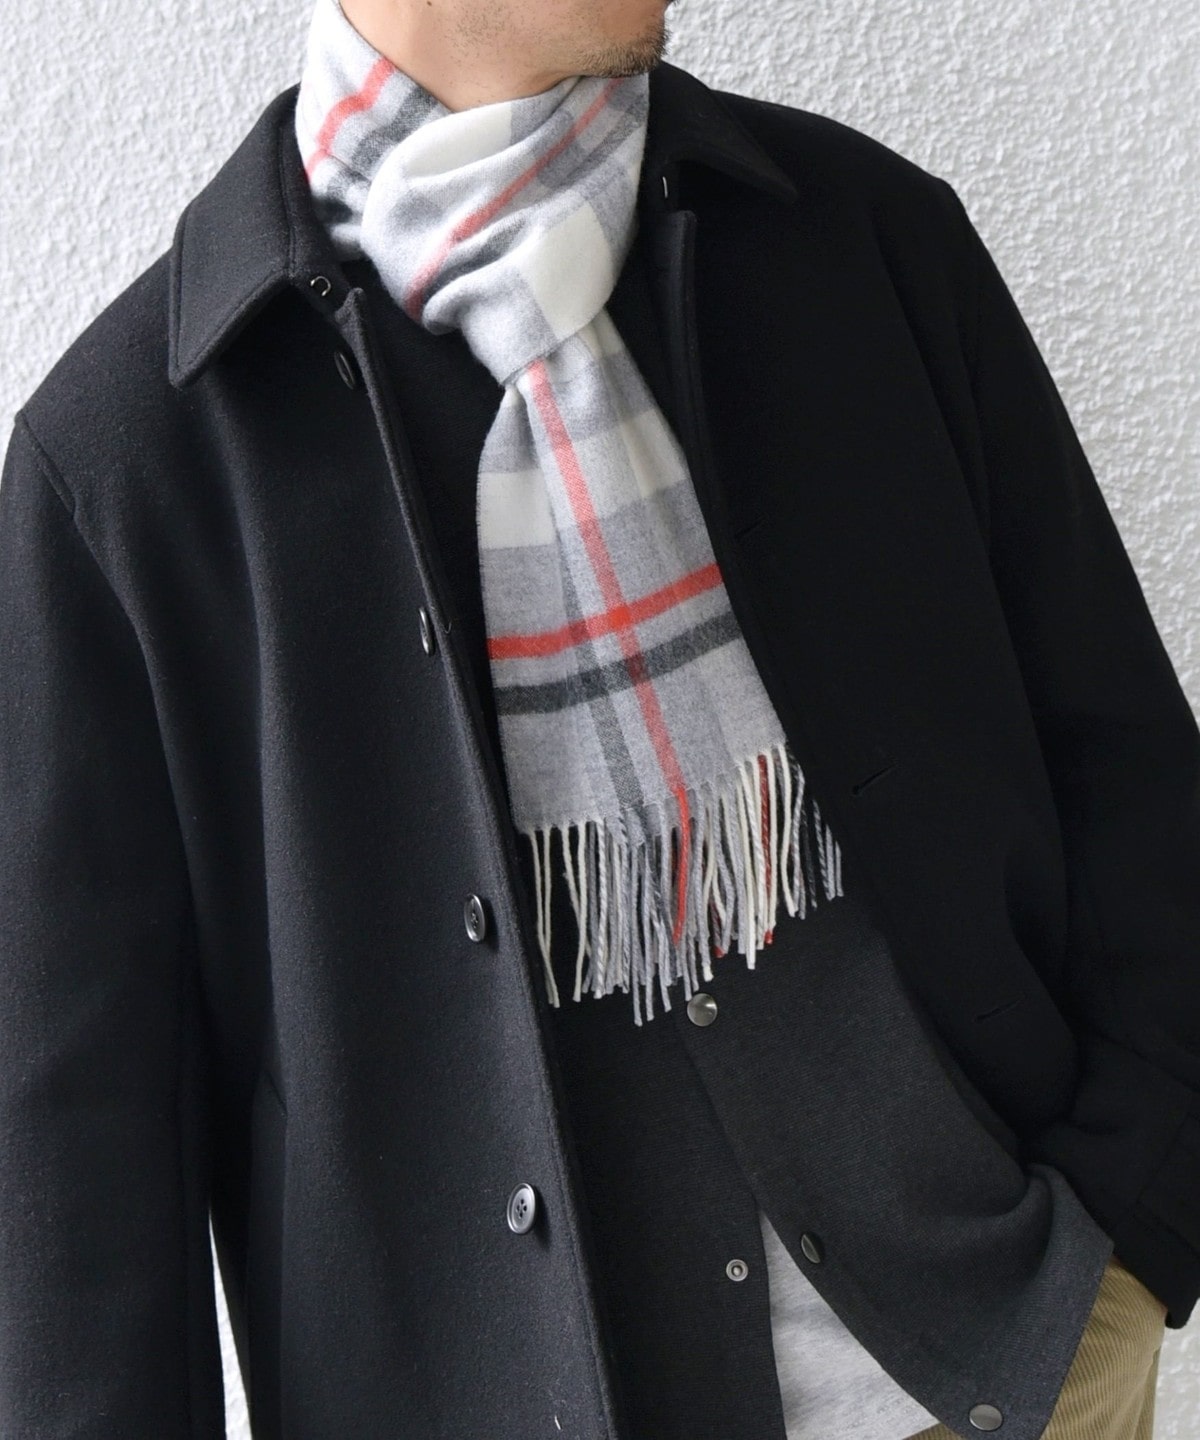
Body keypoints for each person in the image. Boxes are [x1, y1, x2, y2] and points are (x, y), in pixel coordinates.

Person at [1, 0, 1195, 1435]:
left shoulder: (862, 242)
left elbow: (1131, 780)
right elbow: (77, 1193)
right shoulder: (129, 465)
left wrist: (1134, 1231)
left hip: (1022, 1369)